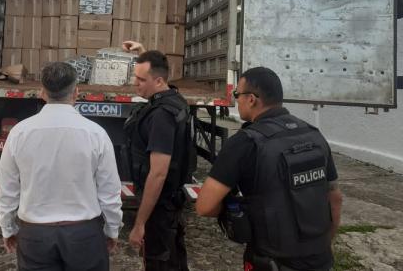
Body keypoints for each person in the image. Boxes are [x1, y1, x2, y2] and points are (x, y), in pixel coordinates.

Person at [196, 67, 343, 271]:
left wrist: (235, 211)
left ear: (251, 99)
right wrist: (324, 245)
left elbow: (204, 206)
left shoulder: (244, 143)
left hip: (271, 261)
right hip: (320, 260)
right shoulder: (314, 135)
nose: (235, 100)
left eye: (237, 94)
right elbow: (335, 198)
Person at [0, 62, 123, 271]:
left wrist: (7, 228)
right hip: (84, 235)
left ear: (42, 92)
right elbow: (109, 191)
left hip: (35, 236)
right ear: (76, 93)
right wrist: (112, 229)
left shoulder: (19, 133)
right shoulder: (96, 134)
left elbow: (6, 189)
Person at [122, 40, 192, 271]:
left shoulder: (161, 116)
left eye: (141, 80)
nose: (136, 84)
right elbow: (157, 74)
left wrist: (140, 224)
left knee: (160, 263)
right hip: (170, 205)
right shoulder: (173, 98)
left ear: (159, 80)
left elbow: (158, 174)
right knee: (174, 260)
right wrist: (144, 53)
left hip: (159, 210)